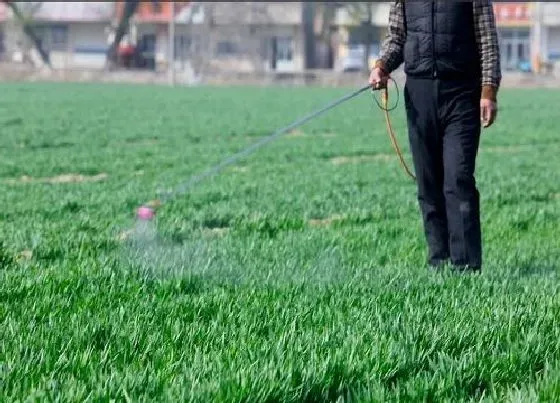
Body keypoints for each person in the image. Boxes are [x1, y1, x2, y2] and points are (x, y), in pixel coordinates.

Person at [369, 0, 501, 272]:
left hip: (462, 93)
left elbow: (487, 40)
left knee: (458, 179)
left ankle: (465, 266)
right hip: (419, 95)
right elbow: (397, 37)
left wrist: (488, 91)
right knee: (428, 183)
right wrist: (382, 66)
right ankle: (438, 261)